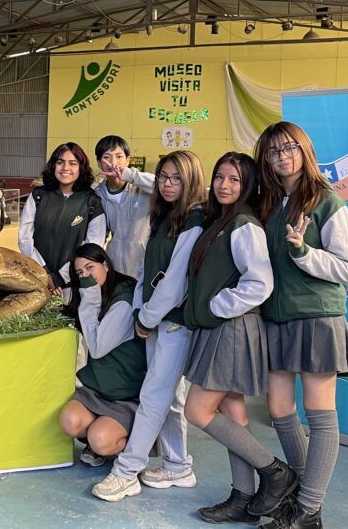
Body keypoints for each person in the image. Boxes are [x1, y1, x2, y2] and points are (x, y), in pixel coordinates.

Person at [254, 122, 348, 529]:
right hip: (276, 318)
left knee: (319, 414)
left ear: (304, 150)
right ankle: (303, 498)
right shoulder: (269, 203)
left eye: (289, 148)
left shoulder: (326, 200)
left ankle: (307, 510)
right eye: (273, 151)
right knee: (280, 410)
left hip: (317, 315)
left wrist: (303, 252)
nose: (282, 156)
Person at [182, 152, 297, 525]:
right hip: (222, 328)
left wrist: (218, 305)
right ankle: (243, 498)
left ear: (246, 185)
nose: (224, 185)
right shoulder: (220, 222)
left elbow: (260, 282)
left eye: (234, 179)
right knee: (233, 412)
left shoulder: (244, 225)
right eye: (219, 177)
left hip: (231, 329)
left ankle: (275, 471)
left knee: (197, 410)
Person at [92, 151, 207, 502]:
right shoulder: (165, 215)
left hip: (175, 323)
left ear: (191, 182)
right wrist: (142, 310)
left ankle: (127, 472)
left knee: (153, 397)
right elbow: (147, 268)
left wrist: (147, 316)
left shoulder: (195, 219)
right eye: (163, 177)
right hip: (156, 320)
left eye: (176, 178)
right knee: (169, 397)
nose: (168, 184)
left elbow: (176, 281)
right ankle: (177, 464)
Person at [59, 244, 144, 470]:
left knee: (100, 440)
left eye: (90, 267)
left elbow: (97, 347)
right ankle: (99, 436)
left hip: (125, 393)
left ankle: (137, 447)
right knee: (69, 422)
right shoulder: (97, 293)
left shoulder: (123, 298)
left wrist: (89, 300)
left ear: (105, 265)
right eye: (80, 273)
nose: (86, 276)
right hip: (98, 388)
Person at [18, 142, 107, 295]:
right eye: (60, 162)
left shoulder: (92, 202)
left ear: (81, 167)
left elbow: (92, 246)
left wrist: (59, 277)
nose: (65, 168)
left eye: (72, 163)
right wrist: (44, 274)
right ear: (53, 166)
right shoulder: (38, 196)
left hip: (73, 284)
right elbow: (24, 238)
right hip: (37, 280)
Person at [93, 135, 156, 279]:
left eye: (119, 156)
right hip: (115, 267)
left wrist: (129, 175)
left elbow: (161, 185)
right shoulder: (98, 195)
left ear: (128, 160)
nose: (113, 163)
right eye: (106, 157)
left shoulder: (142, 188)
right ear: (99, 163)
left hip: (144, 266)